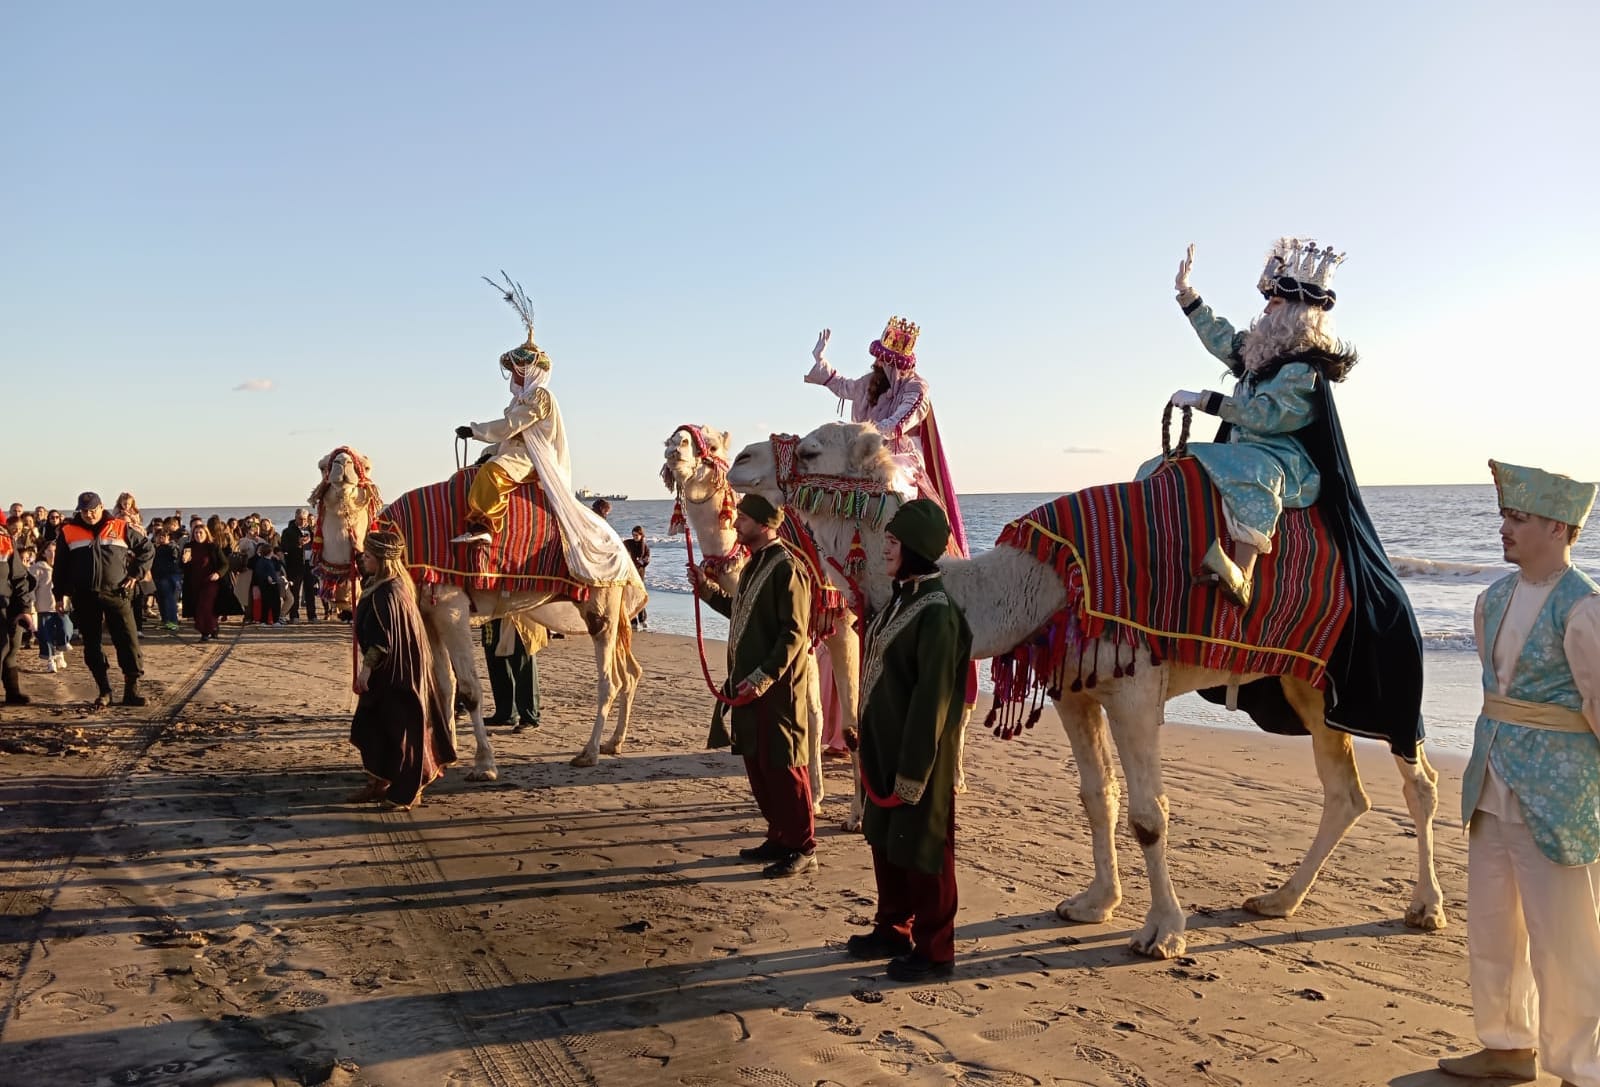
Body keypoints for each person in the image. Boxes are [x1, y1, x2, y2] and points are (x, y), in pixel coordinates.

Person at [1156, 238, 1426, 758]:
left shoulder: (1302, 369)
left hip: (1286, 463)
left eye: (1274, 304)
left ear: (1298, 312)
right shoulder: (1261, 357)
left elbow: (1269, 418)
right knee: (1169, 468)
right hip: (1240, 453)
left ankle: (1243, 570)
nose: (1265, 312)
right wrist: (1188, 297)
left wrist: (1210, 400)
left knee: (1254, 477)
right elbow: (1220, 337)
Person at [1439, 460, 1600, 1087]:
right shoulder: (1492, 599)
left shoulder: (1584, 610)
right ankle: (1506, 1045)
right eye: (1505, 515)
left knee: (1566, 935)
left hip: (1557, 791)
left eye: (1519, 518)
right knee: (1492, 924)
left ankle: (1582, 1066)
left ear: (1559, 528)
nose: (1504, 527)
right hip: (1491, 779)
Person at [449, 276, 640, 605]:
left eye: (520, 369)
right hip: (514, 454)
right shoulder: (518, 400)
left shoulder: (541, 398)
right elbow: (508, 435)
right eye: (514, 369)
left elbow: (513, 427)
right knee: (472, 472)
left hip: (531, 461)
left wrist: (477, 430)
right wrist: (487, 449)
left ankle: (485, 526)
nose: (515, 375)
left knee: (492, 475)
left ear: (534, 371)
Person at [847, 498, 972, 982]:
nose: (885, 549)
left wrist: (913, 770)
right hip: (882, 746)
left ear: (917, 548)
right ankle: (892, 926)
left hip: (918, 756)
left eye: (894, 542)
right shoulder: (905, 598)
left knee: (925, 848)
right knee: (886, 840)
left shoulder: (936, 613)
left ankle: (937, 949)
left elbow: (932, 701)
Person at [689, 493, 816, 878]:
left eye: (743, 518)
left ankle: (804, 846)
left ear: (764, 525)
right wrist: (707, 590)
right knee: (758, 765)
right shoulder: (753, 565)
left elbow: (794, 634)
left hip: (775, 690)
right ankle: (779, 836)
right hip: (747, 687)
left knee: (784, 765)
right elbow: (739, 612)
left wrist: (762, 678)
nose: (736, 523)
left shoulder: (787, 569)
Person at [805, 317, 969, 557]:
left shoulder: (916, 388)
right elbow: (843, 386)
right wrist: (820, 360)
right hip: (861, 451)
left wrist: (858, 435)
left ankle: (897, 539)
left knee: (890, 481)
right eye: (878, 357)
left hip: (898, 455)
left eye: (883, 358)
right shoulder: (870, 382)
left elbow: (898, 423)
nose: (877, 362)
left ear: (894, 362)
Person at [349, 530, 456, 809]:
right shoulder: (383, 584)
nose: (364, 560)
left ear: (383, 561)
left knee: (403, 731)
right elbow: (366, 577)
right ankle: (378, 781)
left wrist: (365, 671)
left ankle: (409, 790)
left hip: (398, 674)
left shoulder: (390, 593)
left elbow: (382, 641)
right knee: (372, 725)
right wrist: (354, 548)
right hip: (389, 671)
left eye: (368, 557)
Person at [56, 491, 154, 707]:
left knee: (128, 642)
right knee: (92, 646)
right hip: (84, 596)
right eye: (84, 511)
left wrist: (135, 574)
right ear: (79, 510)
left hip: (117, 593)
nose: (89, 515)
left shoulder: (119, 526)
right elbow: (60, 566)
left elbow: (147, 549)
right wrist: (59, 594)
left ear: (101, 508)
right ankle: (104, 690)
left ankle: (131, 690)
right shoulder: (68, 531)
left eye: (93, 510)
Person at [481, 617, 541, 729]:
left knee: (523, 663)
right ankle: (506, 713)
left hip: (519, 614)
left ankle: (529, 717)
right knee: (496, 662)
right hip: (493, 615)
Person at [0, 523, 34, 705]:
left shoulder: (5, 541)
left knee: (11, 648)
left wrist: (24, 609)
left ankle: (13, 692)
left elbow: (20, 578)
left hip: (7, 605)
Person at [28, 541, 69, 673]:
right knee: (46, 634)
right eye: (50, 551)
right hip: (44, 606)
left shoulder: (64, 567)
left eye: (55, 551)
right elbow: (31, 588)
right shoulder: (38, 568)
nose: (53, 554)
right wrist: (32, 605)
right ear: (44, 553)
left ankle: (59, 651)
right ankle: (51, 659)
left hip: (62, 605)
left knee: (66, 628)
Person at [181, 524, 226, 642]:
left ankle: (206, 632)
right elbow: (181, 567)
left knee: (205, 606)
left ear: (206, 534)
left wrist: (218, 573)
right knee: (198, 607)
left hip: (210, 581)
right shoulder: (188, 547)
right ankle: (213, 627)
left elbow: (225, 563)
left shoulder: (212, 547)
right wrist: (184, 561)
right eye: (196, 533)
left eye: (201, 532)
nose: (198, 535)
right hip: (194, 582)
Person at [280, 509, 316, 622]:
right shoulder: (288, 531)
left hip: (310, 564)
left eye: (305, 519)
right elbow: (284, 547)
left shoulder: (311, 530)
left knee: (310, 590)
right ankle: (294, 615)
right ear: (295, 518)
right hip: (295, 564)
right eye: (300, 519)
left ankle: (312, 615)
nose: (303, 521)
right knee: (295, 591)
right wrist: (298, 544)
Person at [150, 528, 184, 631]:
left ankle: (172, 622)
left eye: (164, 536)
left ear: (168, 537)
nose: (161, 538)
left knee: (169, 600)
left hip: (169, 576)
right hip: (158, 577)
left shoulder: (172, 547)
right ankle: (166, 621)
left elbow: (176, 557)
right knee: (161, 600)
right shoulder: (155, 548)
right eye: (159, 536)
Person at [251, 546, 287, 626]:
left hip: (274, 584)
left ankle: (276, 620)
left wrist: (278, 560)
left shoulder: (271, 560)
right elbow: (259, 572)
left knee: (276, 602)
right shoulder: (261, 561)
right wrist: (267, 577)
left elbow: (277, 568)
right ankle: (264, 620)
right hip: (265, 585)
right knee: (266, 603)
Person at [624, 526, 650, 631]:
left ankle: (642, 619)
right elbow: (620, 547)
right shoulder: (628, 543)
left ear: (641, 535)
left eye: (636, 535)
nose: (634, 537)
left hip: (639, 574)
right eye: (633, 535)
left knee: (639, 596)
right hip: (629, 573)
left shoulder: (645, 547)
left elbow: (647, 559)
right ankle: (633, 621)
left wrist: (641, 562)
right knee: (630, 597)